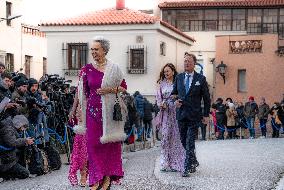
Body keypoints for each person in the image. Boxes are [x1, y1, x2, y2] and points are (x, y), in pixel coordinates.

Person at [77, 36, 127, 190]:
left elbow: (123, 87)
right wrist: (79, 109)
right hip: (91, 112)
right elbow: (82, 92)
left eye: (96, 49)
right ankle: (95, 177)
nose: (93, 52)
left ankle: (106, 177)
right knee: (93, 144)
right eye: (91, 49)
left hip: (109, 114)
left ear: (104, 50)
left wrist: (109, 90)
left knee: (108, 146)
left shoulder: (114, 68)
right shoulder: (87, 69)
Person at [171, 53, 210, 177]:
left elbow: (207, 99)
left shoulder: (201, 79)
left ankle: (186, 166)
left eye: (188, 61)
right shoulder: (179, 77)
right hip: (181, 114)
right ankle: (194, 161)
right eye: (185, 61)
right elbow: (173, 94)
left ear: (194, 63)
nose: (186, 63)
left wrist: (206, 115)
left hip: (194, 115)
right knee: (183, 141)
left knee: (190, 141)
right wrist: (175, 101)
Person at [156, 63, 185, 173]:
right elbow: (158, 98)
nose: (166, 73)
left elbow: (182, 95)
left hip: (176, 112)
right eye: (165, 72)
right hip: (166, 113)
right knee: (165, 137)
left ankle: (175, 163)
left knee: (176, 137)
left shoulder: (178, 83)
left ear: (173, 71)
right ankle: (164, 163)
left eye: (168, 71)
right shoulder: (162, 84)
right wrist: (161, 104)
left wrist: (177, 98)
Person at [0, 115, 34, 180]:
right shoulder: (8, 129)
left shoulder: (10, 127)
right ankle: (5, 174)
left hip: (9, 157)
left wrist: (25, 141)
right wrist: (25, 141)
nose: (23, 129)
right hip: (7, 160)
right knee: (25, 173)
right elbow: (12, 143)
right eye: (24, 126)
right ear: (19, 124)